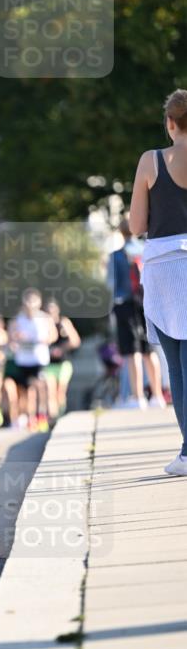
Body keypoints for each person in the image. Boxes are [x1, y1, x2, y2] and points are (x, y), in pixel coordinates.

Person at [129, 88, 187, 475]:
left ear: (170, 123)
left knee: (177, 365)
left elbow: (135, 225)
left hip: (164, 267)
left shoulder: (152, 161)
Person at [107, 217, 165, 408]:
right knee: (150, 350)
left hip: (124, 304)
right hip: (147, 303)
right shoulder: (146, 250)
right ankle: (157, 395)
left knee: (133, 352)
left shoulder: (116, 256)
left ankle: (138, 396)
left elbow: (111, 285)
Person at [6, 288, 57, 432]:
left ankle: (41, 416)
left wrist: (44, 340)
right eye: (28, 301)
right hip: (23, 360)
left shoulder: (45, 318)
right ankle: (29, 418)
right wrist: (16, 338)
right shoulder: (17, 319)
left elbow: (53, 335)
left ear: (39, 303)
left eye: (33, 301)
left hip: (39, 359)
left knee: (39, 386)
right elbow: (10, 337)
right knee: (26, 392)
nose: (30, 305)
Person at [43, 298, 81, 419]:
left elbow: (75, 341)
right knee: (50, 391)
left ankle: (60, 416)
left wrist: (61, 349)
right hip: (48, 364)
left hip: (63, 363)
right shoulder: (42, 324)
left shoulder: (64, 322)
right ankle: (53, 418)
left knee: (60, 392)